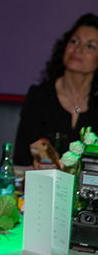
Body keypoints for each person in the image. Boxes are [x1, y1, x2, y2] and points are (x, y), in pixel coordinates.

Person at [15, 13, 98, 168]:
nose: (78, 49)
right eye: (74, 41)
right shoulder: (40, 97)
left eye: (90, 46)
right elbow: (21, 159)